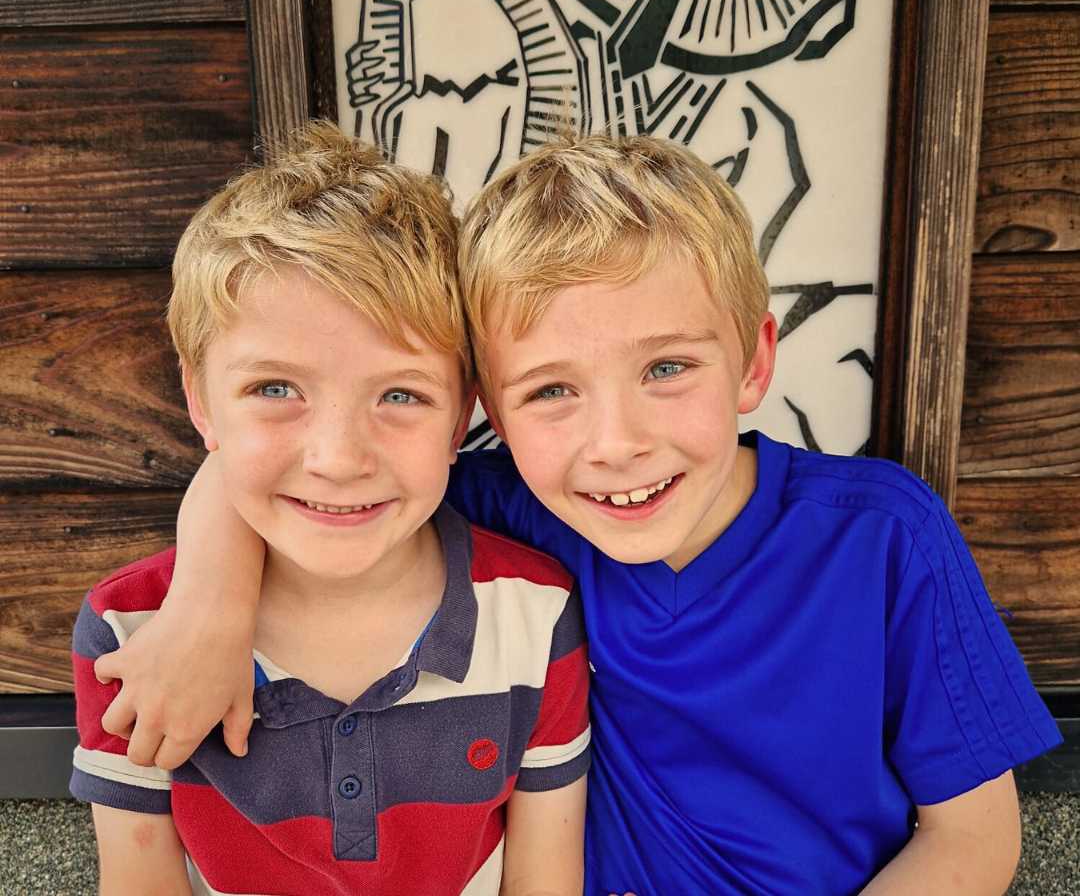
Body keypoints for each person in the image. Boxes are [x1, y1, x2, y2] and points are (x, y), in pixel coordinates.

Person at [96, 133, 1060, 895]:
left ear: (755, 361)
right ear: (491, 412)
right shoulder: (512, 508)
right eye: (551, 391)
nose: (616, 443)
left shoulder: (884, 540)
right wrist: (210, 606)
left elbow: (976, 842)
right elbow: (302, 478)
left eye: (667, 368)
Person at [70, 124, 590, 896]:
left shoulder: (534, 613)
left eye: (400, 395)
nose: (339, 458)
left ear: (460, 419)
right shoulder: (131, 633)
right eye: (276, 389)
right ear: (199, 400)